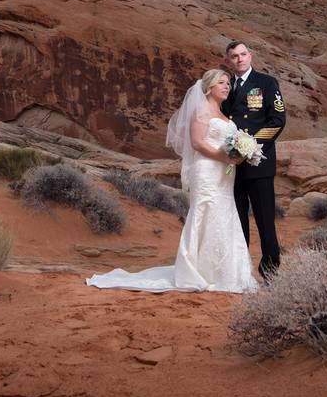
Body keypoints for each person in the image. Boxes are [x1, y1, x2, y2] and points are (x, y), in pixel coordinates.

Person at [86, 69, 258, 293]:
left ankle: (225, 272)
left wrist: (238, 153)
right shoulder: (201, 110)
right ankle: (196, 271)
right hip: (206, 170)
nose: (227, 86)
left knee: (224, 213)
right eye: (222, 83)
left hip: (224, 174)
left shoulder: (225, 115)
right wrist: (224, 157)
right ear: (209, 87)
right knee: (205, 211)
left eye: (228, 83)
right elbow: (197, 143)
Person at [221, 41, 285, 279]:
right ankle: (241, 272)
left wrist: (250, 146)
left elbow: (277, 120)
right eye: (234, 56)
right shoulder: (226, 85)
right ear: (229, 61)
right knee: (238, 223)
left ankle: (270, 273)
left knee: (265, 223)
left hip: (259, 164)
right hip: (233, 167)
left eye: (243, 54)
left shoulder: (267, 83)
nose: (240, 59)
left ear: (251, 56)